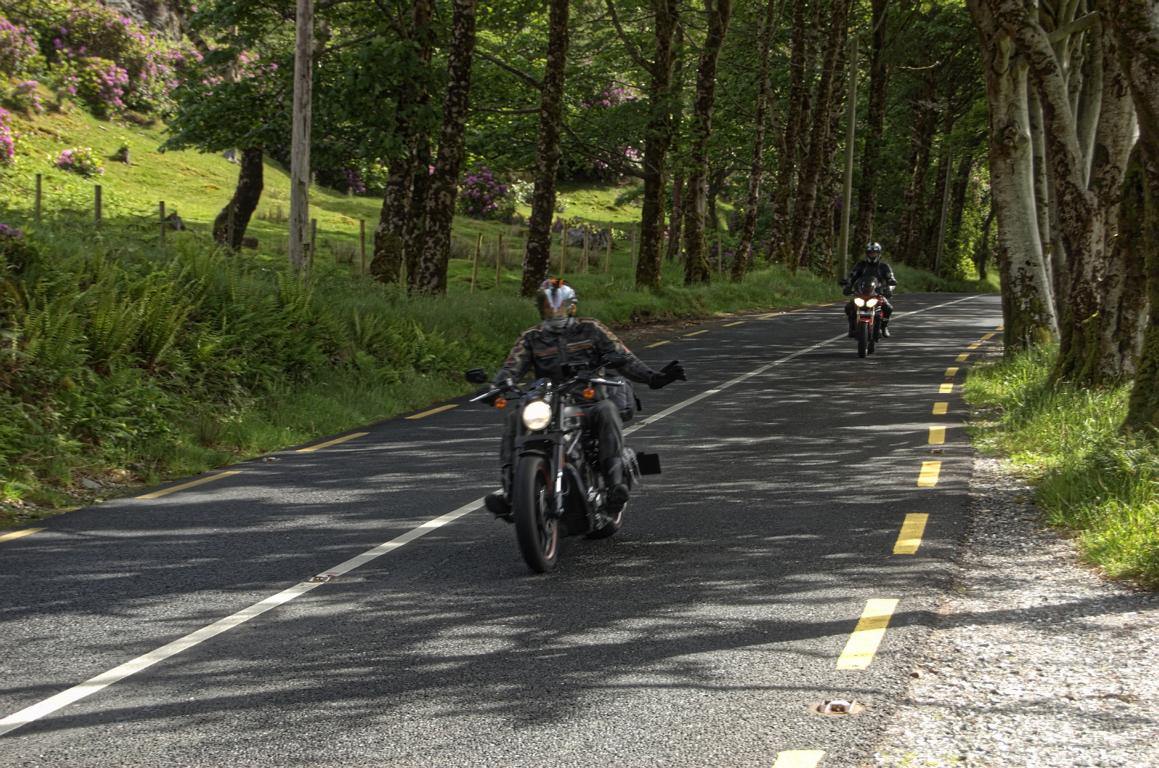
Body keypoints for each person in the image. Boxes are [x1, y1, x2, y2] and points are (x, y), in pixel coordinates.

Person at [484, 278, 685, 520]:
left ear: (571, 306)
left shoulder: (591, 328)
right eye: (549, 306)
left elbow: (622, 356)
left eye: (559, 306)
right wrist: (497, 387)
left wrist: (654, 378)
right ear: (541, 308)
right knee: (516, 416)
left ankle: (615, 486)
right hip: (549, 404)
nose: (554, 310)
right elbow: (511, 367)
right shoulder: (531, 338)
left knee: (607, 410)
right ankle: (511, 492)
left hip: (588, 402)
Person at [843, 242, 896, 337]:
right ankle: (851, 328)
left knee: (888, 308)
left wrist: (890, 287)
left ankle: (884, 327)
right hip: (861, 293)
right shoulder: (861, 265)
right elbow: (852, 276)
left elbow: (891, 278)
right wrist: (848, 286)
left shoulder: (884, 266)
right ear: (866, 253)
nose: (872, 255)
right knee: (848, 307)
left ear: (879, 253)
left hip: (878, 293)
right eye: (870, 253)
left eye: (874, 253)